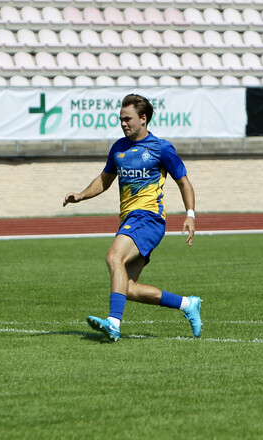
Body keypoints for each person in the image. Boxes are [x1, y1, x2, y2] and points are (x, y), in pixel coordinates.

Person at [63, 94, 202, 341]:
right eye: (121, 119)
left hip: (149, 218)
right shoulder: (118, 148)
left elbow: (184, 182)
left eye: (128, 119)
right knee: (126, 287)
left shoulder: (161, 148)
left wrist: (190, 214)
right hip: (130, 219)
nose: (123, 123)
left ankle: (113, 324)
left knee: (113, 256)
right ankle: (186, 304)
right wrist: (82, 195)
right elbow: (105, 180)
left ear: (144, 119)